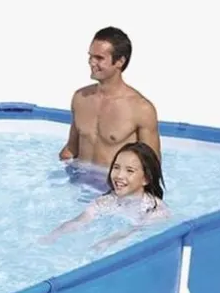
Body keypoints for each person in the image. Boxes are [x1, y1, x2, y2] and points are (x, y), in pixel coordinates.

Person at [58, 27, 161, 168]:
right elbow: (71, 149)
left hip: (111, 181)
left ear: (120, 61)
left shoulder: (141, 109)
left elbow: (152, 166)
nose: (92, 62)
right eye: (90, 56)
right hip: (79, 178)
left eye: (99, 58)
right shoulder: (80, 98)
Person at [41, 143, 170, 251]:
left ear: (146, 179)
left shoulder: (155, 210)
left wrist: (104, 244)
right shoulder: (107, 201)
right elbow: (80, 220)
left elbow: (133, 233)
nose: (119, 176)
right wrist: (53, 235)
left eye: (130, 170)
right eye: (116, 167)